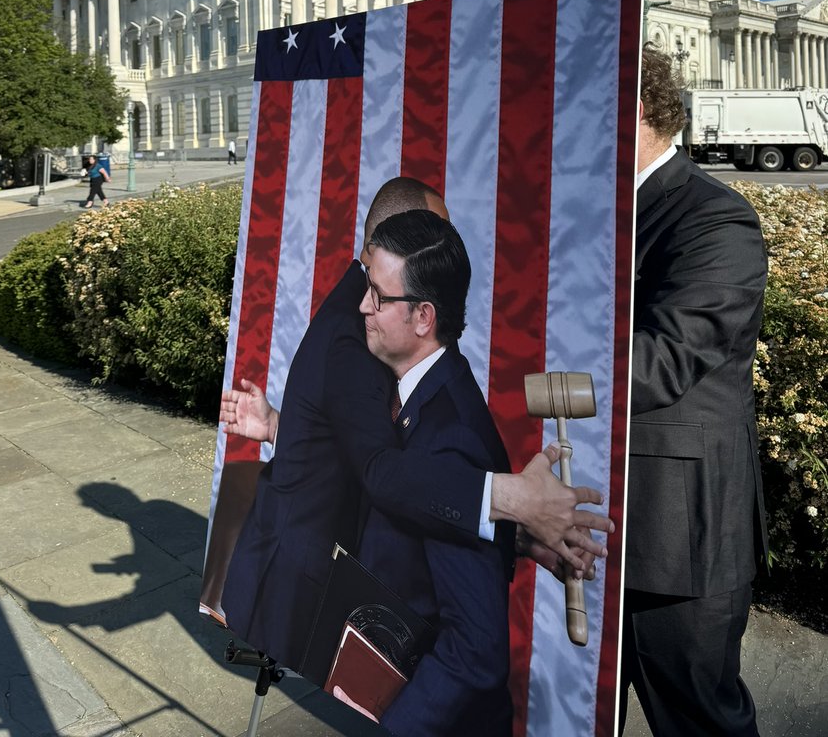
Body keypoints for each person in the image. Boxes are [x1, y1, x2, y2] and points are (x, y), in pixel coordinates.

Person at [221, 177, 610, 671]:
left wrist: (520, 535)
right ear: (388, 248)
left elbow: (351, 442)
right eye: (431, 237)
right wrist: (512, 499)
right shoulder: (358, 337)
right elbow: (381, 473)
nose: (446, 257)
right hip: (295, 587)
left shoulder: (362, 312)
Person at [620, 48, 768, 737]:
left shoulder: (714, 220)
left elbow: (662, 362)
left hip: (673, 534)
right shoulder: (596, 209)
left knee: (699, 721)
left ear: (639, 110)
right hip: (577, 517)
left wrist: (520, 376)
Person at [343, 209, 514, 736]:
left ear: (423, 317)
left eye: (378, 296)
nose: (363, 306)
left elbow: (477, 648)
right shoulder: (423, 393)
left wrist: (400, 727)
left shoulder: (449, 437)